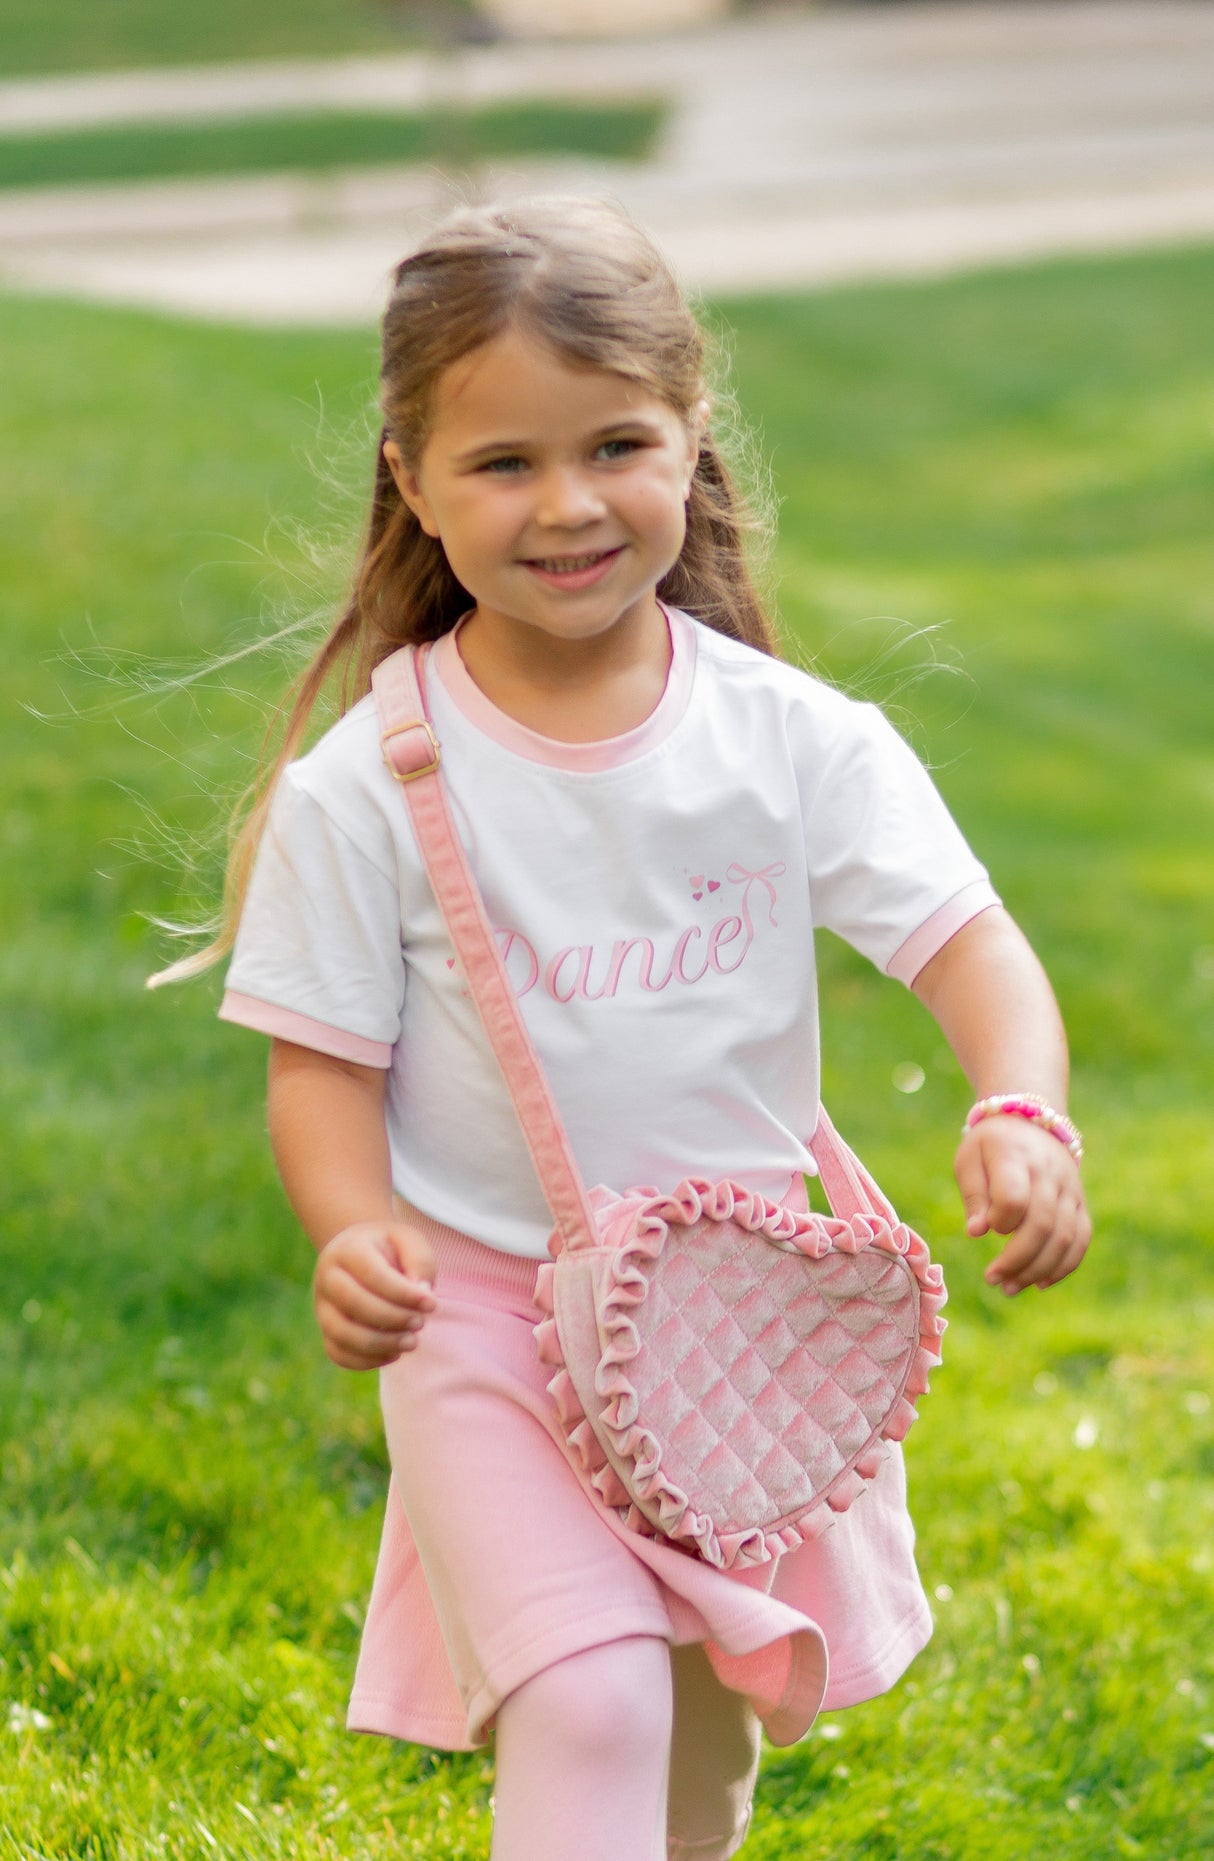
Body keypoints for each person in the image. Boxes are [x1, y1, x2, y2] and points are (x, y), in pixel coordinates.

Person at [164, 196, 1090, 1860]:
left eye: (615, 444)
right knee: (590, 1697)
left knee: (696, 1734)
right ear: (411, 476)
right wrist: (353, 1225)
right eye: (503, 461)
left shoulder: (787, 737)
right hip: (486, 1332)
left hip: (738, 1331)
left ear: (691, 438)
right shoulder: (366, 787)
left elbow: (970, 946)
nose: (568, 503)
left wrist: (1021, 1107)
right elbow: (323, 1072)